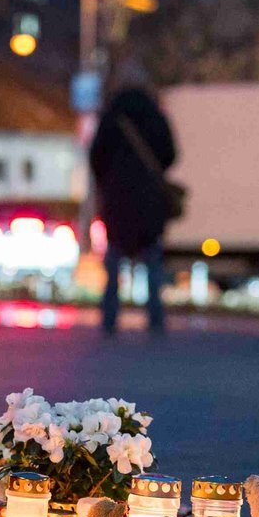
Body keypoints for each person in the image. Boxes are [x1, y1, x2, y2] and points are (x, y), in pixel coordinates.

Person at [88, 73, 178, 335]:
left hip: (116, 198)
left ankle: (110, 316)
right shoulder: (155, 115)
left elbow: (96, 157)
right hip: (149, 198)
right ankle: (155, 317)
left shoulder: (111, 117)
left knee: (114, 257)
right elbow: (170, 154)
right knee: (151, 257)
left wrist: (110, 180)